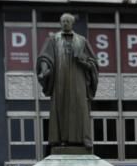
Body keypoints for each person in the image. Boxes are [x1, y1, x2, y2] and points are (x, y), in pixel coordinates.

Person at [37, 13, 98, 150]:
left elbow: (93, 63)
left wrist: (82, 60)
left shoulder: (82, 41)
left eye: (67, 21)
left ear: (72, 23)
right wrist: (44, 71)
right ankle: (60, 139)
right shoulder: (53, 40)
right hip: (60, 80)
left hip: (78, 81)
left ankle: (83, 139)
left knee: (80, 107)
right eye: (63, 21)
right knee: (60, 107)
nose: (65, 23)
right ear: (60, 23)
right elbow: (45, 58)